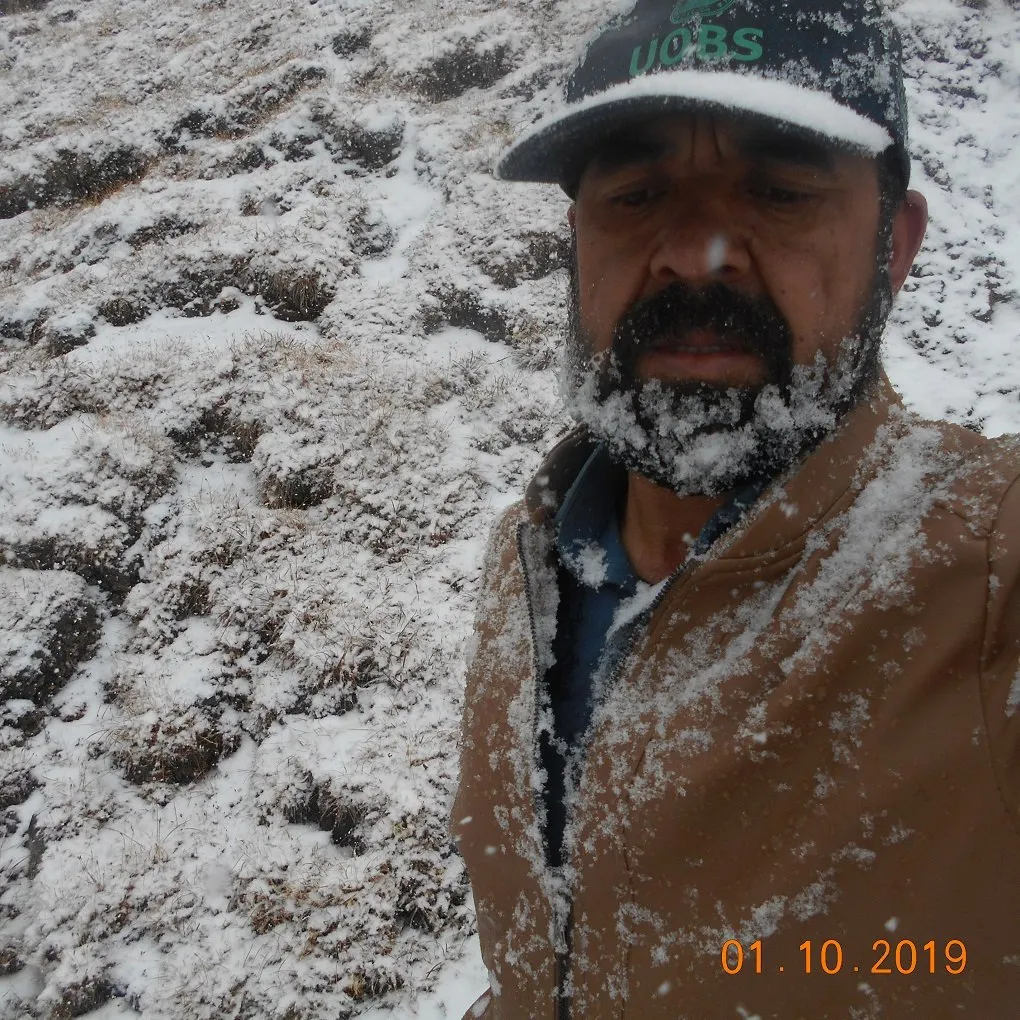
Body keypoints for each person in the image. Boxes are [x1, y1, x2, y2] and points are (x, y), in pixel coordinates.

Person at [451, 0, 1020, 1016]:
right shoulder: (532, 558)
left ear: (896, 244)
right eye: (635, 193)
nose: (696, 252)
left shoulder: (986, 566)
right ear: (576, 243)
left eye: (780, 190)